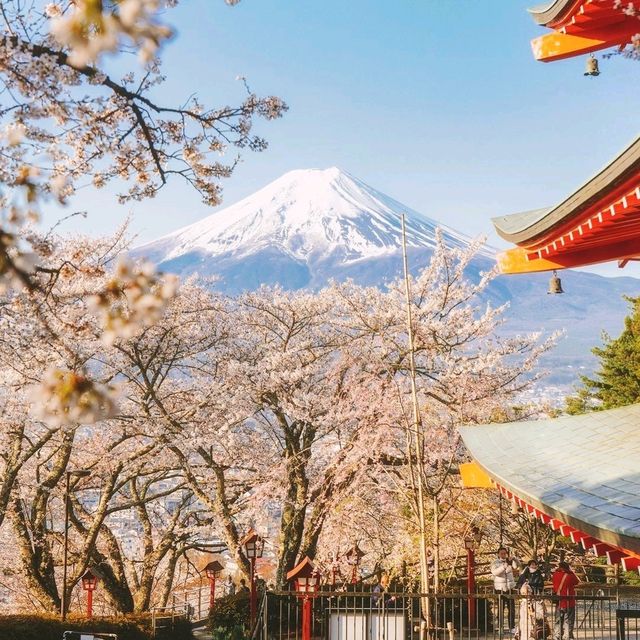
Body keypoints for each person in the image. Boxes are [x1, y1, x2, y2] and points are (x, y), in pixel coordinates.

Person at [491, 547, 518, 634]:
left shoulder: (509, 561)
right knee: (500, 608)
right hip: (500, 587)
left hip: (510, 587)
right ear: (498, 554)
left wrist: (514, 559)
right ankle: (500, 627)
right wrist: (503, 566)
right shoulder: (495, 562)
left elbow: (516, 566)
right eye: (501, 553)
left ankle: (512, 627)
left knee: (512, 608)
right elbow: (495, 572)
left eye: (505, 553)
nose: (503, 555)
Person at [552, 561, 579, 640]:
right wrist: (571, 571)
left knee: (558, 619)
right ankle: (567, 635)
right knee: (569, 620)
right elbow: (576, 582)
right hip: (569, 601)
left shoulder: (555, 574)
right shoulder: (570, 575)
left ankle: (557, 635)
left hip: (559, 601)